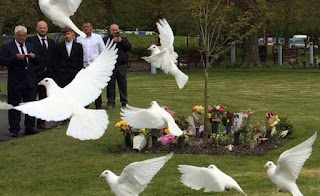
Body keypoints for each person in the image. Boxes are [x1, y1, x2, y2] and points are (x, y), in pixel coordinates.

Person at [0, 25, 39, 137]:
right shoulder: (8, 47)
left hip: (29, 80)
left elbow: (39, 61)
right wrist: (15, 58)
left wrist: (33, 57)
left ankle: (30, 127)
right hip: (16, 81)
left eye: (24, 35)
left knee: (30, 104)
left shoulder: (31, 45)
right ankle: (14, 129)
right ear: (15, 35)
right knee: (14, 105)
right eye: (19, 35)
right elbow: (2, 61)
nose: (22, 37)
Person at [27, 21, 56, 129]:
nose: (42, 30)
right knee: (32, 99)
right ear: (36, 28)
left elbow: (53, 59)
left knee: (44, 99)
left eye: (44, 28)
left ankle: (41, 122)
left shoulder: (52, 42)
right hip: (35, 75)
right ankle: (30, 124)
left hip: (47, 76)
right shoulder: (31, 41)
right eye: (40, 28)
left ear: (47, 29)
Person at [77, 22, 105, 109]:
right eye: (84, 27)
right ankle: (86, 103)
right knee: (85, 87)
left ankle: (98, 104)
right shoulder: (79, 39)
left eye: (88, 27)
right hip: (84, 66)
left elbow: (103, 51)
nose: (86, 28)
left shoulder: (98, 37)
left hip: (95, 66)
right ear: (82, 28)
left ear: (91, 28)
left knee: (96, 86)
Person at [103, 24, 131, 109]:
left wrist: (121, 41)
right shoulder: (106, 39)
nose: (115, 32)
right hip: (110, 65)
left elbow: (128, 47)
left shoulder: (124, 39)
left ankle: (124, 101)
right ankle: (111, 102)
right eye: (113, 30)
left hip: (121, 65)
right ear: (110, 31)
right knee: (110, 84)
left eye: (116, 30)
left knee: (122, 84)